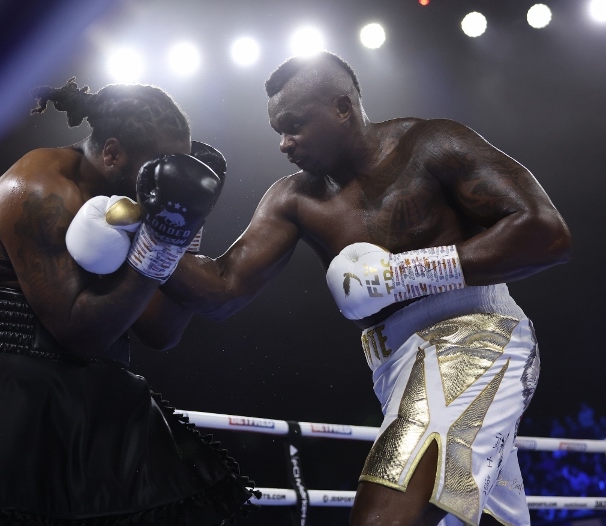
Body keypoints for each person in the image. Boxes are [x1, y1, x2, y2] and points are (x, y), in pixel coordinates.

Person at [152, 51, 572, 526]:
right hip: (394, 368)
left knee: (383, 514)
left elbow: (546, 233)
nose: (285, 144)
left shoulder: (429, 145)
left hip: (475, 336)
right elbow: (223, 290)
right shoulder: (294, 197)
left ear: (342, 108)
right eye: (278, 132)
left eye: (294, 126)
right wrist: (149, 236)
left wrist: (403, 273)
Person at [0, 78, 257, 525]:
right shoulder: (38, 188)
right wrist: (159, 245)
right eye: (160, 165)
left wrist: (181, 233)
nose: (166, 178)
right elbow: (79, 332)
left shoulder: (124, 208)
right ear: (112, 154)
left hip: (98, 390)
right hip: (11, 396)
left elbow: (160, 331)